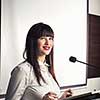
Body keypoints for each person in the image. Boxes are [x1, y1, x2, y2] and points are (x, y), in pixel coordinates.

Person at [5, 22, 72, 100]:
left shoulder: (46, 68)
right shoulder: (22, 70)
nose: (48, 43)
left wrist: (62, 97)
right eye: (43, 38)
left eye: (50, 39)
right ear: (33, 41)